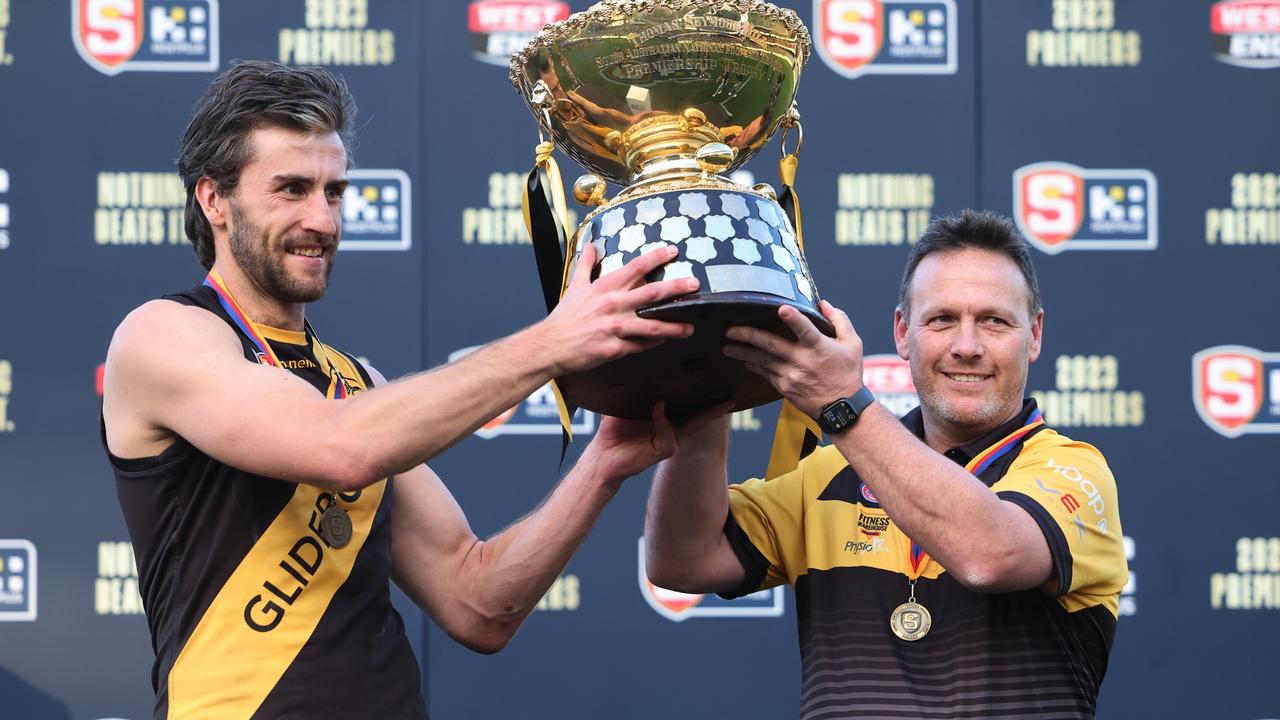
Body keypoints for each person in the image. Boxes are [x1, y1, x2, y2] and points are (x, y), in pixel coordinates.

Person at [101, 60, 703, 719]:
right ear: (214, 199)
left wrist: (605, 462)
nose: (322, 220)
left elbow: (477, 603)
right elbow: (339, 447)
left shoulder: (356, 386)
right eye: (292, 189)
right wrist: (556, 341)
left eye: (333, 192)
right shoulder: (162, 336)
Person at [643, 210, 1128, 718]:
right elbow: (683, 562)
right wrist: (704, 389)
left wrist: (842, 405)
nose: (967, 347)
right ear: (902, 332)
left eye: (994, 321)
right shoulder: (828, 475)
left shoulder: (1074, 470)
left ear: (1034, 336)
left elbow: (990, 555)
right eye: (941, 319)